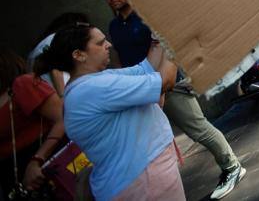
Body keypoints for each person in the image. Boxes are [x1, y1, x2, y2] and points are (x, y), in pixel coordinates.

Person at [100, 0, 245, 199]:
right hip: (140, 90)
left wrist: (166, 84)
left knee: (197, 128)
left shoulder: (148, 16)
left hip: (170, 83)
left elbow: (172, 46)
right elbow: (120, 58)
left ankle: (232, 167)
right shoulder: (113, 27)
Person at [37, 23, 182, 201]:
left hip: (140, 179)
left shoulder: (92, 83)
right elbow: (165, 82)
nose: (109, 45)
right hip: (144, 182)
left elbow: (146, 69)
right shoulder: (90, 89)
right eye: (100, 43)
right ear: (79, 55)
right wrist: (176, 40)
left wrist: (157, 38)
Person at [0, 49, 66, 197]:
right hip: (12, 175)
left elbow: (63, 118)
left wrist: (36, 160)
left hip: (44, 161)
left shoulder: (22, 85)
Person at [28, 11, 89, 97]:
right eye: (83, 26)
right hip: (57, 95)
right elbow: (56, 69)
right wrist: (64, 96)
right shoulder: (57, 39)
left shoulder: (43, 43)